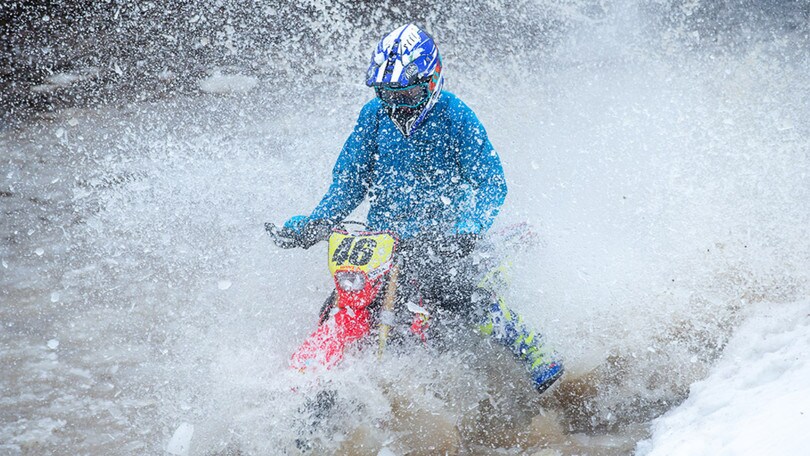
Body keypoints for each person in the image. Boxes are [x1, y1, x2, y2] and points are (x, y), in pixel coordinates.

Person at [273, 24, 563, 393]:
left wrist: (467, 228)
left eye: (407, 93)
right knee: (340, 303)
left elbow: (492, 184)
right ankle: (318, 384)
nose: (398, 104)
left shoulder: (456, 116)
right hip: (383, 242)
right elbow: (349, 182)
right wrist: (315, 223)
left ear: (432, 79)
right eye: (386, 93)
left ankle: (535, 353)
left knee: (463, 294)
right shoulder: (373, 117)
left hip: (443, 240)